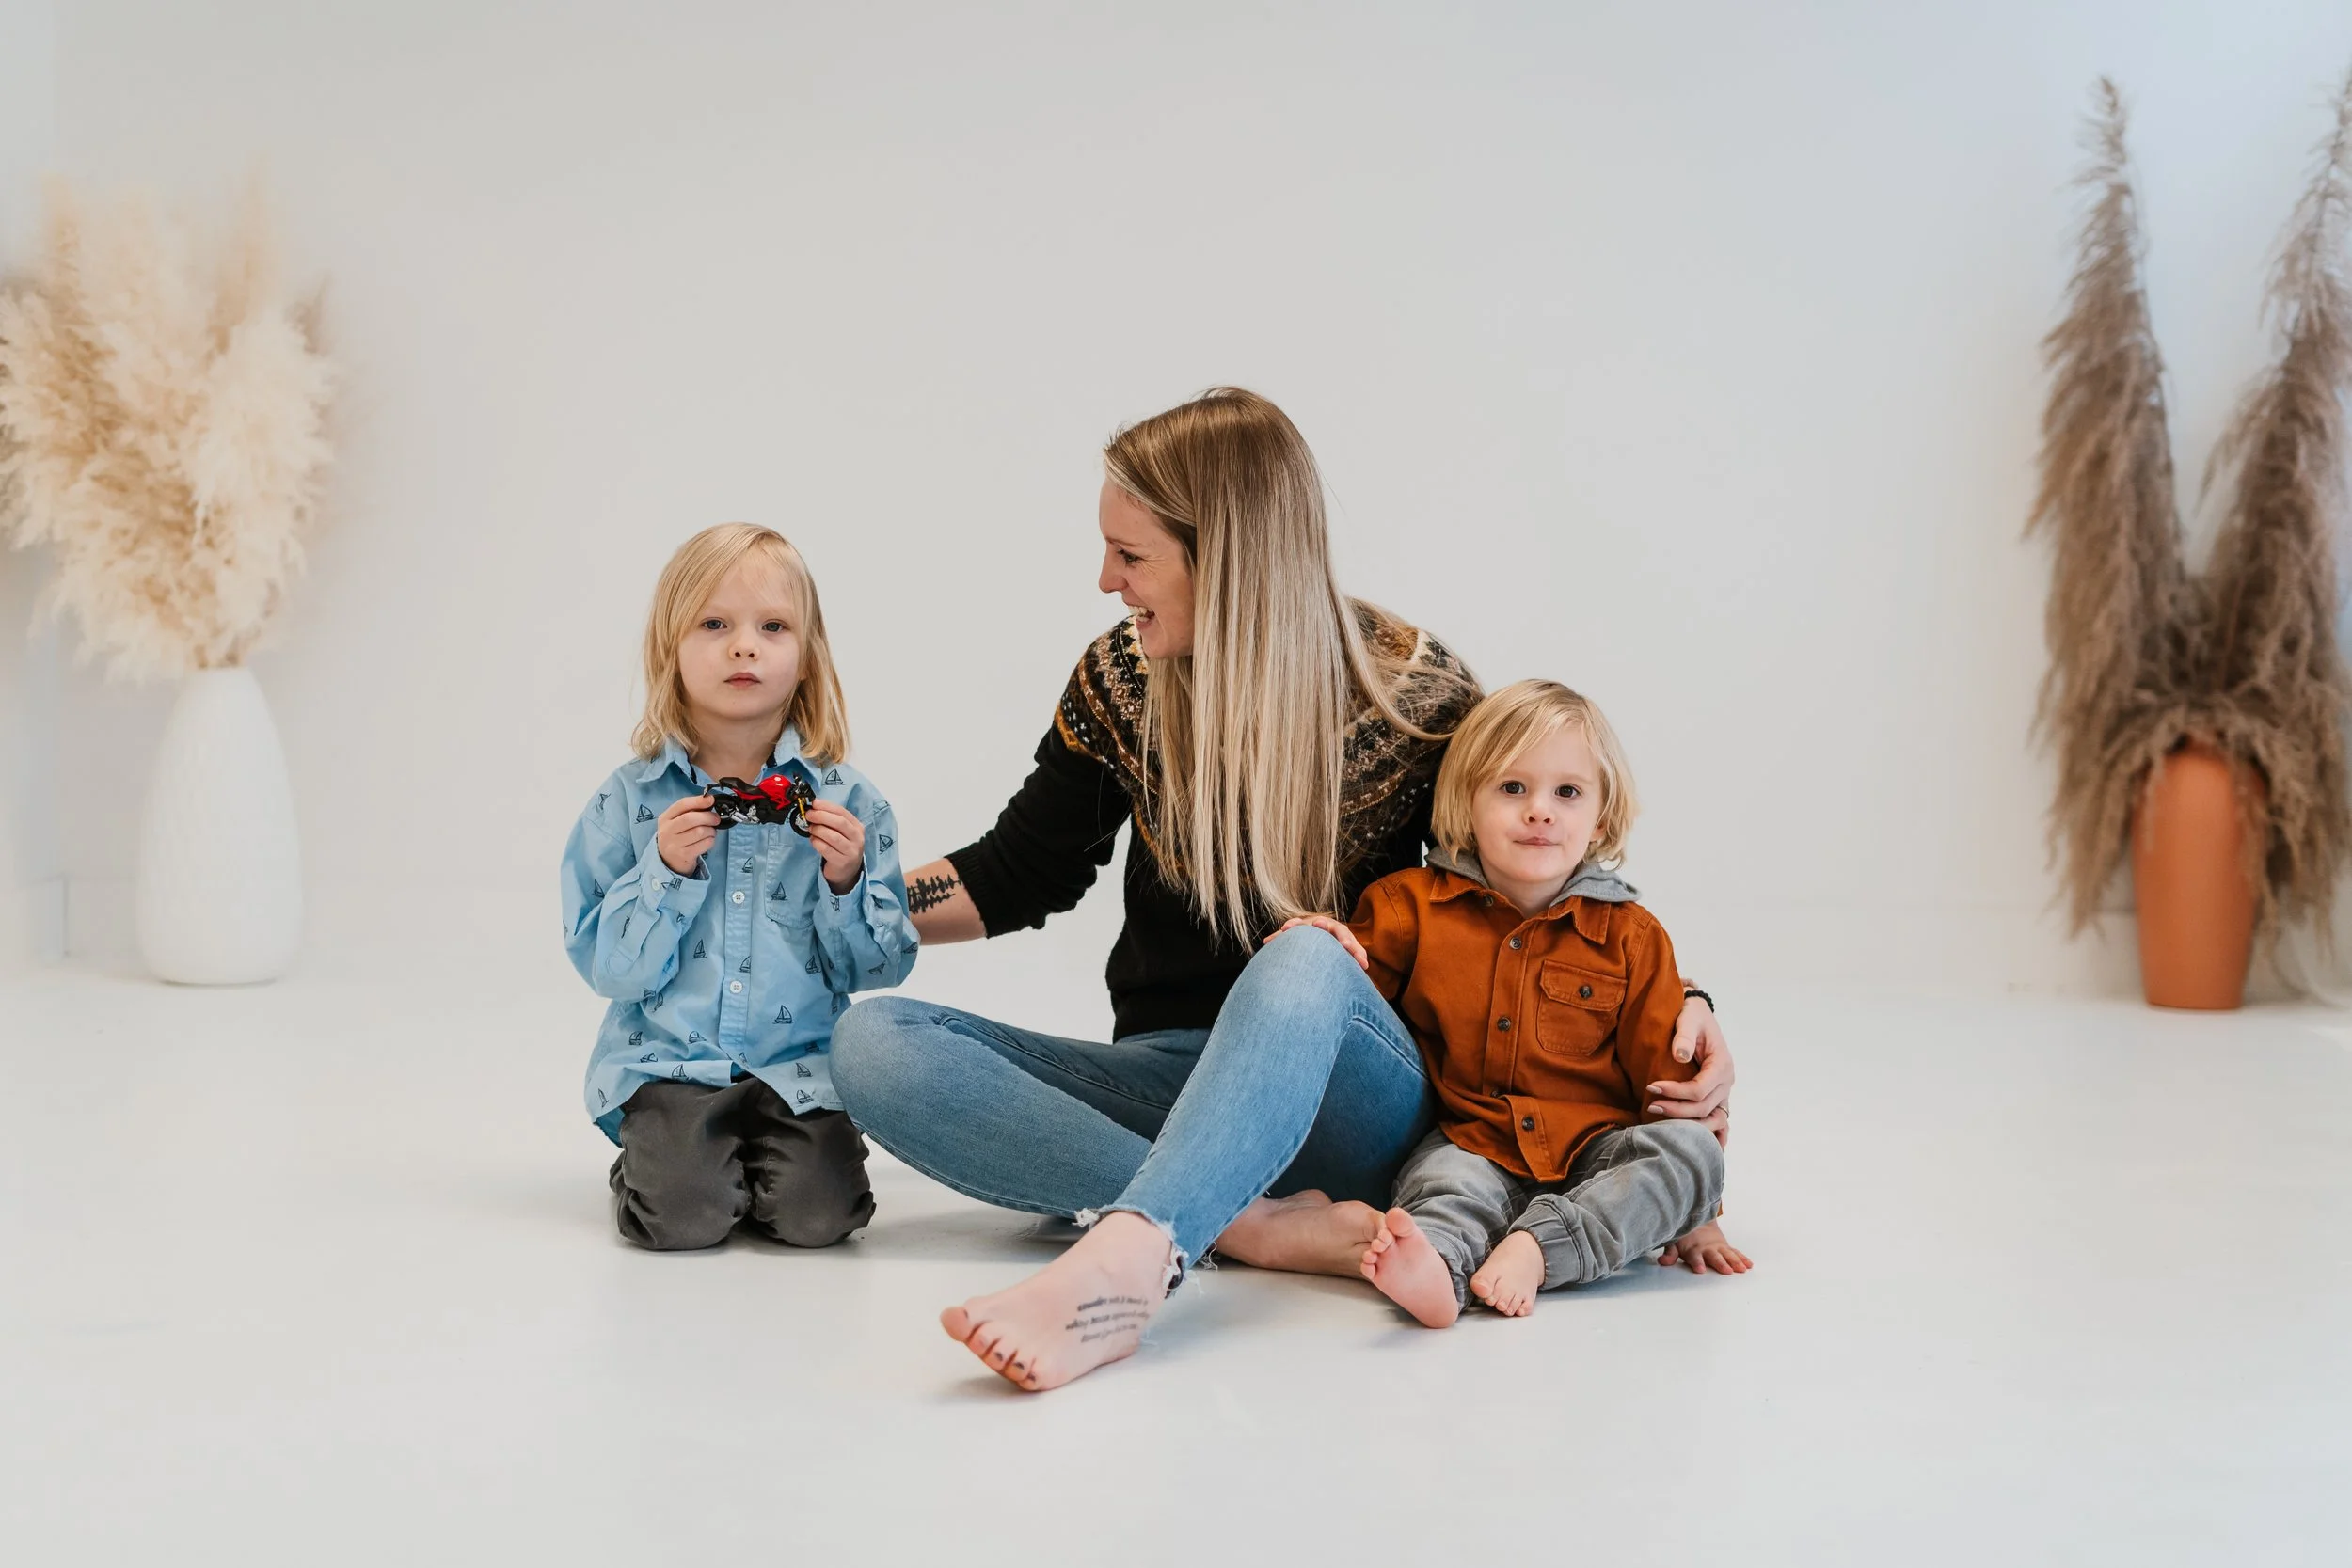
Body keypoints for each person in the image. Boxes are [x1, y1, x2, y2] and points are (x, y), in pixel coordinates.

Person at [832, 388, 1735, 1391]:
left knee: (1308, 949)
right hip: (1181, 1072)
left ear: (1219, 555)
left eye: (1131, 555)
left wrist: (1685, 1004)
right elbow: (1019, 871)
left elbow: (1536, 879)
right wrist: (853, 898)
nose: (1105, 579)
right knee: (872, 1043)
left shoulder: (1416, 699)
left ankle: (1135, 1258)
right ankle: (1255, 1225)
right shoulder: (1126, 680)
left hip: (1365, 1097)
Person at [1276, 679, 1750, 1328]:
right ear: (1466, 802)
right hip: (1472, 1139)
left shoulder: (1633, 936)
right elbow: (1349, 1007)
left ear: (1601, 817)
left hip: (1596, 1154)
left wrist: (1696, 1220)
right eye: (1512, 788)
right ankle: (1436, 1271)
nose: (1540, 811)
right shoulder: (1408, 906)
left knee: (1694, 1157)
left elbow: (1665, 1085)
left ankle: (1537, 1247)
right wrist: (1326, 946)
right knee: (1443, 1190)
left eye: (1568, 792)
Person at [560, 523, 915, 1250]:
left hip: (800, 1066)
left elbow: (879, 967)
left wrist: (846, 880)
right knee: (683, 1219)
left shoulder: (852, 801)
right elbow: (608, 969)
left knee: (822, 1220)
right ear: (671, 650)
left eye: (772, 626)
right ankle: (659, 1165)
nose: (744, 645)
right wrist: (665, 872)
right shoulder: (627, 803)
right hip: (670, 1060)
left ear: (808, 658)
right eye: (714, 624)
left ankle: (759, 1168)